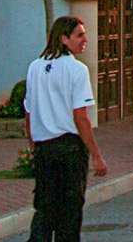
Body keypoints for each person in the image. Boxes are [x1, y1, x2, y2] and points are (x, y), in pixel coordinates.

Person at [24, 16, 107, 242]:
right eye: (79, 35)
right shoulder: (77, 70)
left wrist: (34, 147)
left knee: (44, 208)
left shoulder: (35, 67)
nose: (85, 40)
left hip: (44, 147)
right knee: (70, 211)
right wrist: (97, 155)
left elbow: (29, 114)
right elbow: (80, 117)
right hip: (70, 147)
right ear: (64, 38)